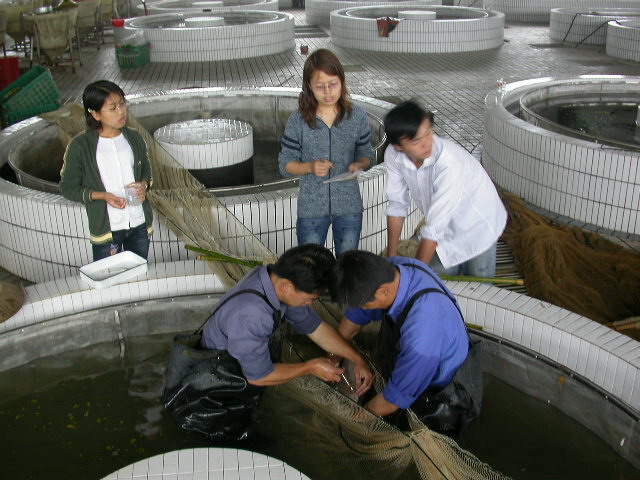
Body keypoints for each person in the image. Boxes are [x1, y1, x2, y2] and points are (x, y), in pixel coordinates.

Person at [194, 244, 373, 439]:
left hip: (239, 370)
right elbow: (258, 377)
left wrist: (356, 358)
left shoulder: (276, 281)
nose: (310, 304)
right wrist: (310, 367)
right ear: (288, 287)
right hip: (214, 389)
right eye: (310, 299)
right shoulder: (251, 314)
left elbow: (315, 328)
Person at [330, 250, 482, 437]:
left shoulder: (423, 331)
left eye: (363, 304)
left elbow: (392, 400)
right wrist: (333, 357)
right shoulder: (394, 269)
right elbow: (355, 319)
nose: (362, 309)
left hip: (443, 394)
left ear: (382, 292)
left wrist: (350, 421)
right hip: (420, 359)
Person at [384, 101, 507, 277]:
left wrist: (415, 279)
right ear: (398, 146)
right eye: (417, 140)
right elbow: (397, 205)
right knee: (444, 281)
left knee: (480, 287)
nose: (427, 143)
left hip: (478, 223)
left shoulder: (448, 164)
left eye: (428, 133)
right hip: (444, 227)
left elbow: (433, 230)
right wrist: (391, 257)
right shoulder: (392, 154)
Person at [278, 48, 375, 256]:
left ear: (342, 82)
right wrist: (310, 167)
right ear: (309, 87)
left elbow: (368, 154)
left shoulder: (356, 116)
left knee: (346, 266)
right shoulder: (299, 120)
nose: (328, 92)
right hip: (311, 209)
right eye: (320, 86)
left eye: (333, 84)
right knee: (310, 267)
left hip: (349, 207)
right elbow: (285, 165)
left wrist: (360, 164)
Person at [60, 80, 153, 262]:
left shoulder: (134, 138)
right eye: (112, 108)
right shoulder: (80, 146)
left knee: (140, 277)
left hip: (139, 224)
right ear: (95, 114)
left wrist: (144, 185)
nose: (121, 111)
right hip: (107, 231)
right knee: (110, 280)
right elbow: (67, 188)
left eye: (122, 104)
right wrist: (103, 196)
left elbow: (147, 171)